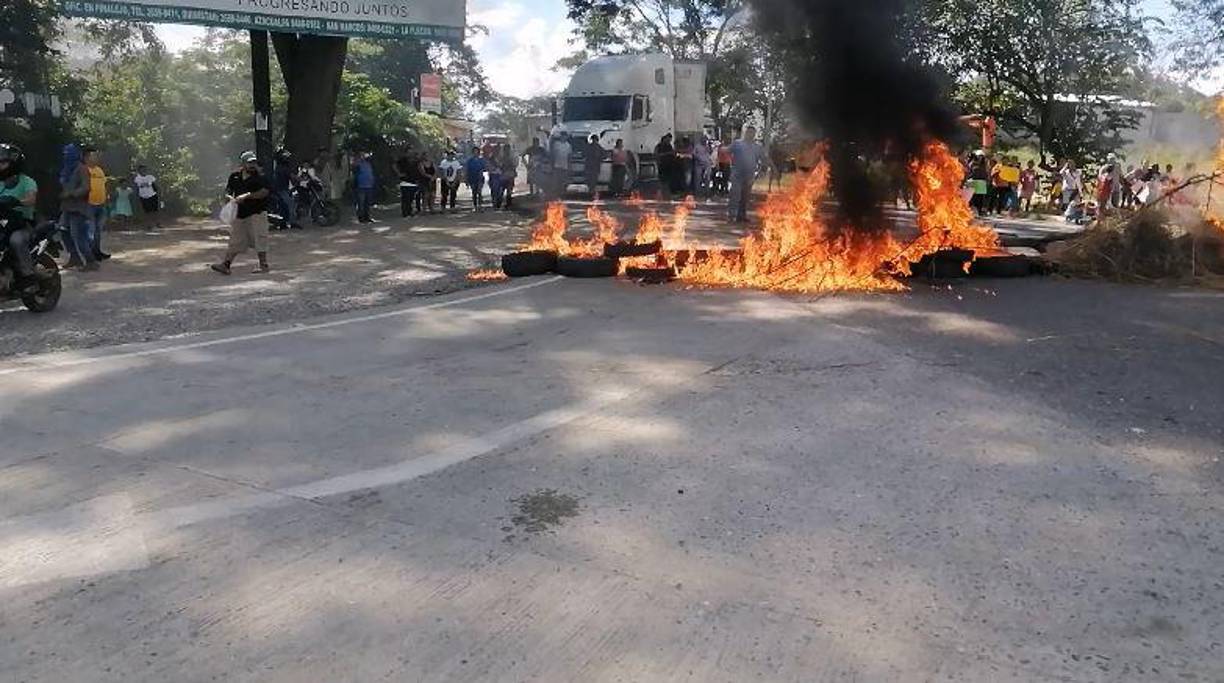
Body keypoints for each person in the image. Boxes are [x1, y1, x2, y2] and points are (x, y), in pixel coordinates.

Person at [211, 151, 271, 275]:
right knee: (235, 240)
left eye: (254, 162)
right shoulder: (234, 177)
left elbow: (264, 192)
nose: (252, 165)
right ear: (243, 164)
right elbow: (228, 191)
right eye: (249, 163)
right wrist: (228, 198)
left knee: (259, 237)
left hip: (257, 212)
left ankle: (263, 265)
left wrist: (247, 196)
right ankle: (226, 265)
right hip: (240, 213)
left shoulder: (260, 177)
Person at [0, 143, 47, 291]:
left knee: (16, 240)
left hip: (22, 224)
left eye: (3, 162)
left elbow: (31, 199)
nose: (1, 166)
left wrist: (17, 201)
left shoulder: (27, 181)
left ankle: (29, 277)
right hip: (2, 223)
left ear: (15, 163)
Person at [59, 143, 97, 271]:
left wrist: (72, 193)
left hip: (79, 208)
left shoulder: (81, 168)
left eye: (68, 154)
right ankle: (75, 257)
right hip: (66, 207)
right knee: (63, 231)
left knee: (79, 236)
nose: (66, 156)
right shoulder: (65, 169)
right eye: (64, 154)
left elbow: (86, 187)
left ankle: (91, 261)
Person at [727, 125, 766, 222]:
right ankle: (732, 216)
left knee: (745, 197)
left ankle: (741, 216)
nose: (750, 134)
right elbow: (727, 151)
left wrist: (772, 168)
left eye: (752, 133)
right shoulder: (737, 144)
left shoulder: (757, 147)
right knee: (735, 195)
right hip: (737, 174)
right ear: (745, 133)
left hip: (749, 176)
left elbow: (764, 158)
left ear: (754, 134)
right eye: (748, 132)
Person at [83, 147, 111, 259]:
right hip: (88, 205)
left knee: (98, 231)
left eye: (96, 155)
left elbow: (103, 185)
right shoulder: (83, 170)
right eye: (93, 156)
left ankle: (97, 251)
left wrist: (106, 197)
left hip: (101, 204)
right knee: (91, 230)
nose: (96, 158)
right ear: (86, 158)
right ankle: (89, 254)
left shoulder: (99, 170)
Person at [272, 148, 300, 230]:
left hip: (281, 189)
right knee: (291, 204)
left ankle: (283, 222)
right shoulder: (283, 168)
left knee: (283, 206)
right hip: (281, 189)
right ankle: (292, 222)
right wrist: (301, 178)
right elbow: (293, 176)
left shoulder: (279, 167)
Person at [133, 163, 161, 229]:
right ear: (139, 170)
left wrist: (159, 192)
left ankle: (157, 223)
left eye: (144, 169)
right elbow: (139, 186)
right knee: (147, 211)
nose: (143, 171)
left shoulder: (150, 177)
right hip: (143, 196)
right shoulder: (137, 178)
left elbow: (155, 185)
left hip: (152, 194)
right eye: (142, 169)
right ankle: (149, 224)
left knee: (155, 210)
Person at [352, 151, 376, 223]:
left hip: (369, 185)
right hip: (361, 186)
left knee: (368, 203)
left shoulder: (368, 164)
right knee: (361, 203)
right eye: (361, 155)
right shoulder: (357, 164)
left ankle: (367, 217)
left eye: (364, 155)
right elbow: (354, 171)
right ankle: (361, 218)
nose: (363, 156)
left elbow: (371, 173)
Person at [395, 152, 418, 218]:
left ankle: (409, 211)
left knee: (411, 198)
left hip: (413, 182)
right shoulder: (402, 160)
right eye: (408, 151)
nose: (410, 153)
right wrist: (399, 173)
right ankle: (405, 213)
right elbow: (394, 165)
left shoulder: (414, 160)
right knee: (405, 198)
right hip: (404, 181)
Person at [465, 147, 487, 211]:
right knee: (474, 192)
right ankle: (475, 206)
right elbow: (467, 170)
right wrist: (466, 179)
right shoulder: (470, 160)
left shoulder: (481, 160)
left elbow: (485, 168)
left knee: (479, 192)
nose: (476, 153)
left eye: (477, 151)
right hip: (472, 178)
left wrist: (482, 170)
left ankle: (480, 205)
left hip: (480, 178)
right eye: (474, 151)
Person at [550, 133, 572, 198]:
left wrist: (569, 166)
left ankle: (563, 194)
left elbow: (569, 156)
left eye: (565, 136)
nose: (564, 137)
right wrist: (552, 164)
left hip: (565, 166)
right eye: (562, 136)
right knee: (557, 181)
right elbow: (552, 155)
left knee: (564, 181)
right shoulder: (556, 144)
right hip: (557, 166)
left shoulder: (568, 145)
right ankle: (556, 195)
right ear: (561, 137)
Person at [499, 145, 517, 210]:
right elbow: (500, 165)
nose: (506, 151)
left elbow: (515, 165)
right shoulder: (502, 157)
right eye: (506, 149)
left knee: (508, 191)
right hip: (505, 176)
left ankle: (507, 204)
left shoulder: (510, 157)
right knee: (503, 190)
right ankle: (502, 203)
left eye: (507, 149)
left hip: (509, 175)